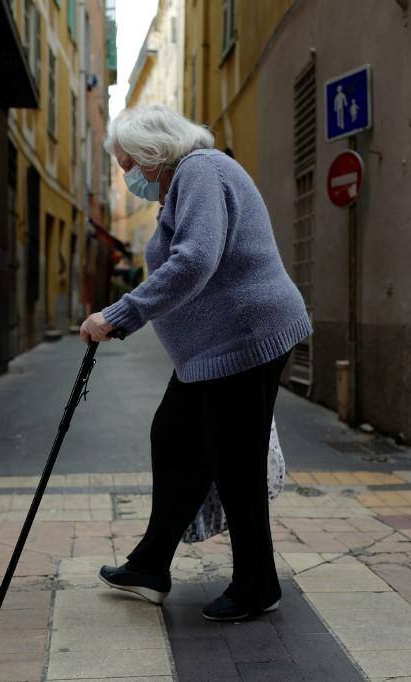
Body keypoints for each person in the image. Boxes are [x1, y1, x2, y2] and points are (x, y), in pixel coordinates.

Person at [79, 104, 313, 622]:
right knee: (175, 437)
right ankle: (149, 565)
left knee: (235, 462)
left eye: (126, 164)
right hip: (213, 351)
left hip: (247, 338)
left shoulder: (201, 171)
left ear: (152, 153)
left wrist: (121, 314)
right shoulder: (182, 184)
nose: (126, 175)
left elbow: (196, 258)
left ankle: (257, 585)